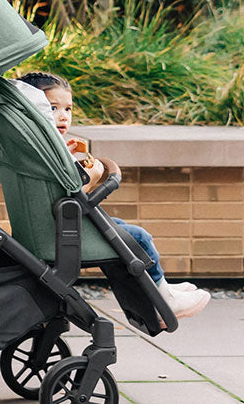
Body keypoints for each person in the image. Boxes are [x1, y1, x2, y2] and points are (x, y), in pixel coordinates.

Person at [16, 72, 211, 320]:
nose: (63, 115)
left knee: (120, 229)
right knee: (138, 238)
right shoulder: (46, 152)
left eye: (68, 108)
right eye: (53, 108)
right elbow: (69, 198)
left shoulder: (34, 146)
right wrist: (95, 177)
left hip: (47, 226)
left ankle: (160, 287)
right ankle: (164, 298)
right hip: (63, 229)